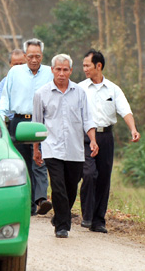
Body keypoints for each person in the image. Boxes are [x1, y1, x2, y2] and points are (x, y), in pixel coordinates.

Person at [32, 54, 98, 238]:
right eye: (58, 69)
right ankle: (62, 226)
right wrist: (36, 149)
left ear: (70, 71)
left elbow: (87, 120)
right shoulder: (41, 94)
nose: (62, 73)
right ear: (52, 70)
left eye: (65, 69)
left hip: (75, 149)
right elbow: (37, 124)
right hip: (51, 147)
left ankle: (60, 215)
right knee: (58, 186)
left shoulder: (79, 93)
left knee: (71, 187)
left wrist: (92, 140)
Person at [78, 49, 141, 233]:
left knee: (104, 178)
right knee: (89, 174)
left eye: (87, 65)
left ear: (99, 66)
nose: (84, 69)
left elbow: (125, 110)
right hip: (86, 137)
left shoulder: (113, 89)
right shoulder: (80, 88)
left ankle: (98, 220)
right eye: (83, 65)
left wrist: (133, 129)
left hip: (106, 137)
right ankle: (87, 215)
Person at [0, 38, 53, 216]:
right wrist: (1, 117)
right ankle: (29, 204)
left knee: (40, 161)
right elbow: (5, 96)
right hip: (19, 122)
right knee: (22, 164)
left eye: (38, 56)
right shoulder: (15, 72)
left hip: (40, 122)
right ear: (25, 55)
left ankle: (41, 199)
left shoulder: (49, 73)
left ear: (42, 56)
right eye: (30, 56)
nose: (34, 60)